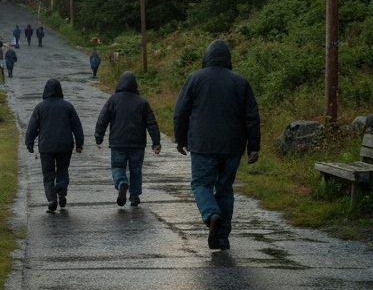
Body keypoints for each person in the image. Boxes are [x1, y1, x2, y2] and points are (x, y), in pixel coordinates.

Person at [173, 39, 261, 251]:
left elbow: (180, 112)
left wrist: (181, 139)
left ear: (206, 57)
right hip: (232, 146)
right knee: (224, 188)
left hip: (203, 144)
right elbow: (252, 116)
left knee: (201, 184)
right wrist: (254, 146)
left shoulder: (194, 79)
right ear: (228, 59)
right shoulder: (240, 82)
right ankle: (222, 237)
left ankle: (212, 214)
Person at [94, 71, 161, 207]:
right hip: (137, 144)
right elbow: (151, 123)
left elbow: (103, 119)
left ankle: (121, 183)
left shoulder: (113, 100)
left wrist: (98, 137)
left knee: (118, 167)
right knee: (136, 169)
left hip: (118, 142)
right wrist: (156, 142)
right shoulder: (142, 102)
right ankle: (134, 197)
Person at [25, 78, 84, 213]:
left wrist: (29, 143)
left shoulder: (40, 107)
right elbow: (77, 126)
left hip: (46, 147)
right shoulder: (68, 106)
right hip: (65, 145)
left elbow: (32, 127)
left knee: (48, 174)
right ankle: (61, 192)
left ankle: (52, 198)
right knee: (63, 170)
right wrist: (79, 143)